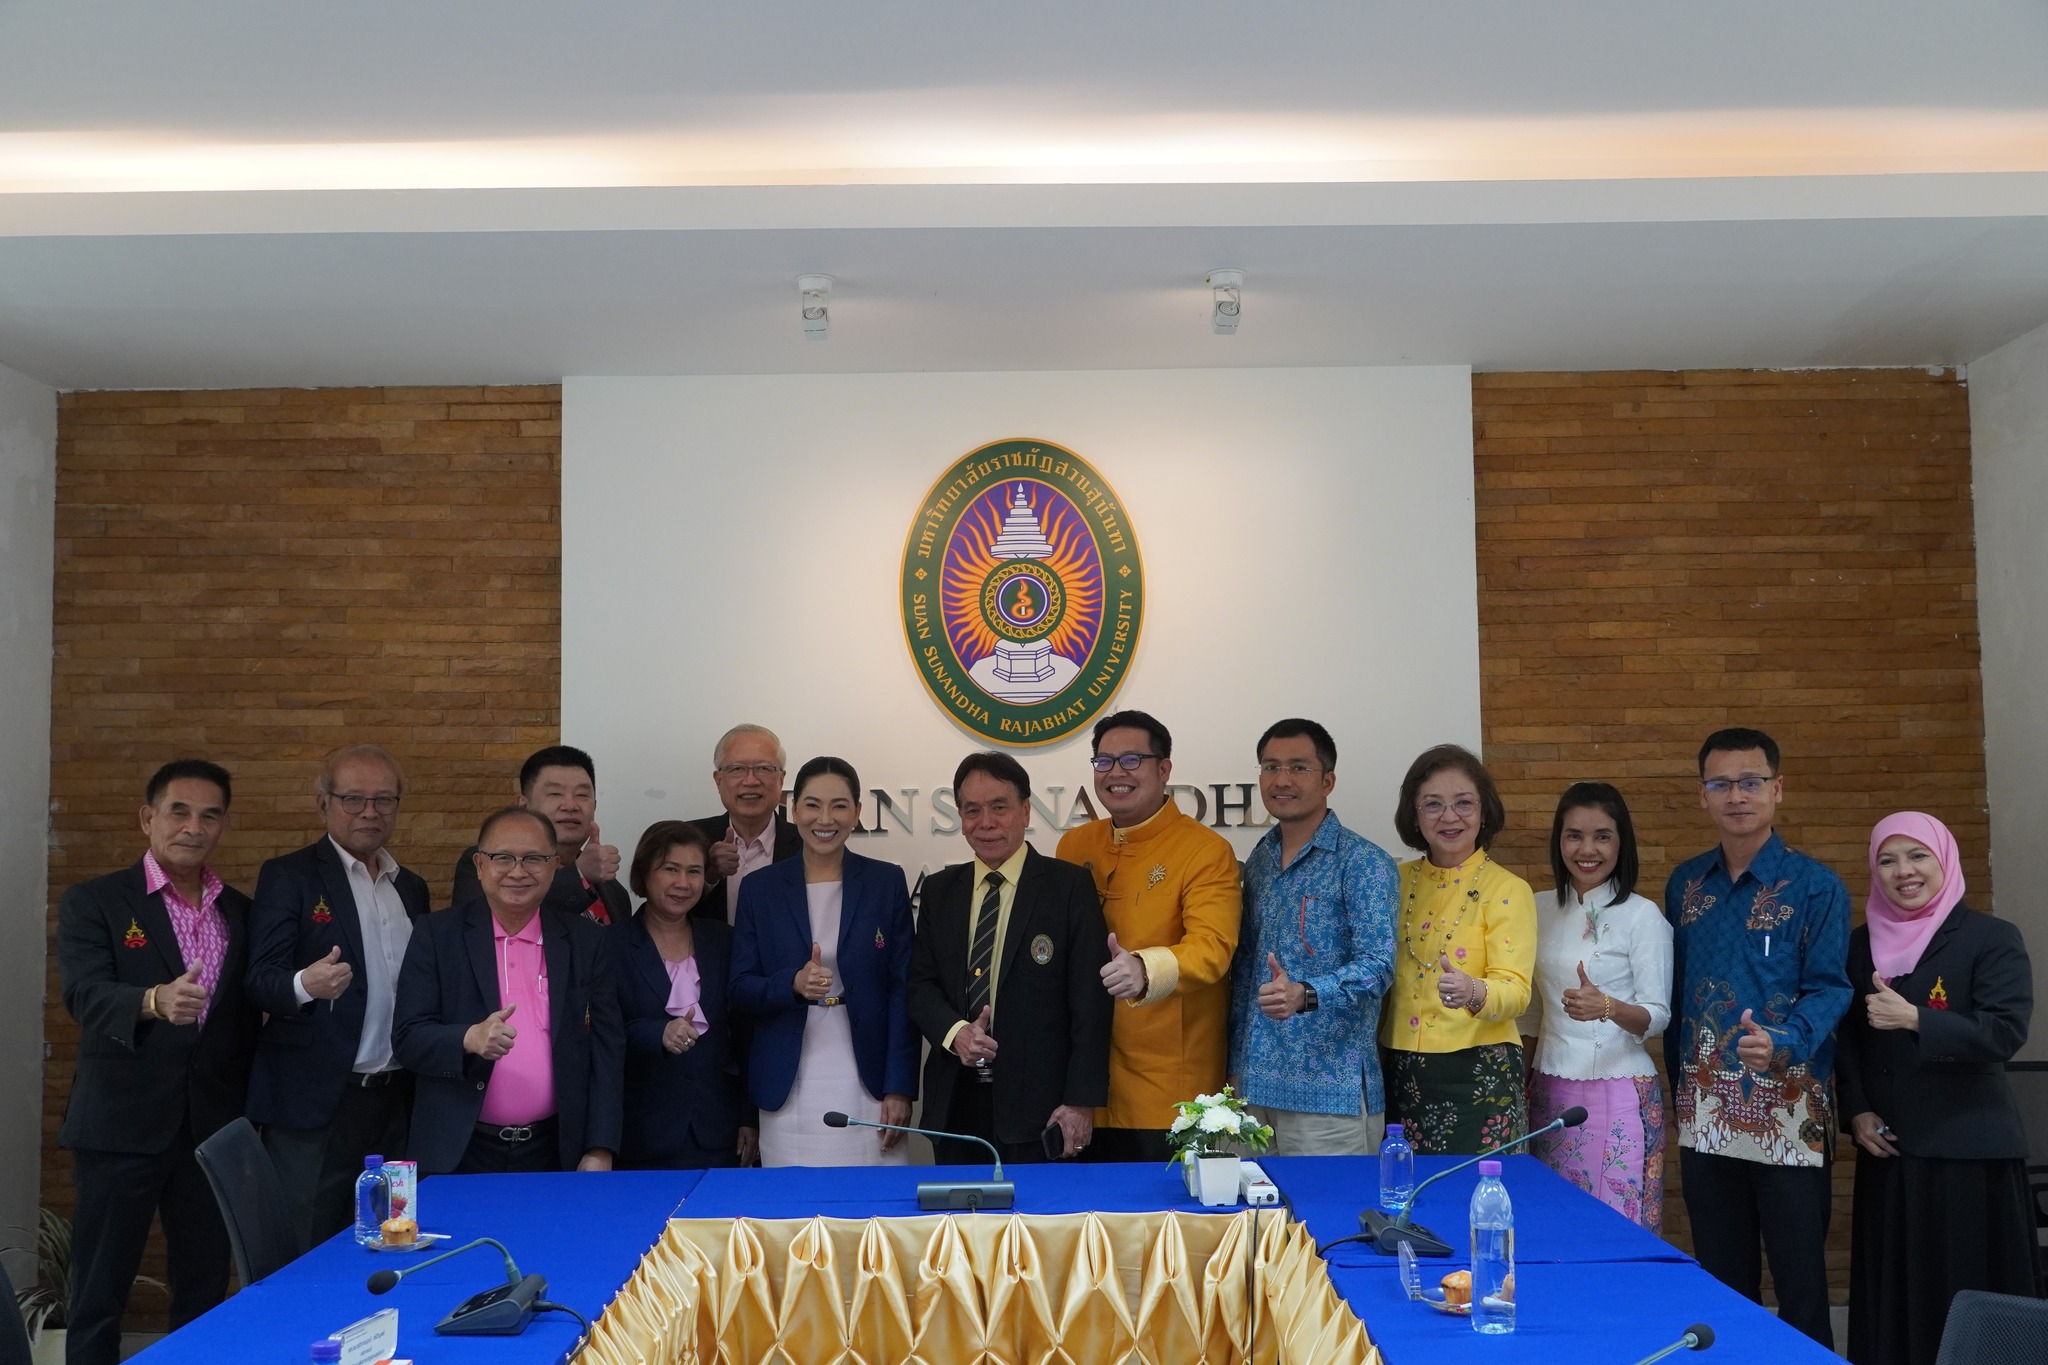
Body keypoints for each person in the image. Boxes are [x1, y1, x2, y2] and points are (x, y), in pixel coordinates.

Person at [56, 760, 260, 1365]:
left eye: (210, 816)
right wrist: (152, 1000)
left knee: (204, 1286)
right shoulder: (96, 901)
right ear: (148, 818)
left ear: (222, 826)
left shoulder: (239, 911)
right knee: (99, 1289)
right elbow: (84, 993)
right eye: (179, 811)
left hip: (210, 1129)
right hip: (120, 1124)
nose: (194, 827)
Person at [1664, 727, 1851, 1348]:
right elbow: (1679, 994)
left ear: (1777, 788)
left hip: (1790, 1106)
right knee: (1722, 1279)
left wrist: (1783, 1039)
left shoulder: (1817, 886)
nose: (1736, 796)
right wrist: (1681, 1090)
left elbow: (1831, 988)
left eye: (1750, 782)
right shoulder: (1686, 885)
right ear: (1703, 795)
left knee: (1800, 1282)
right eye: (1721, 784)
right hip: (1706, 1108)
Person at [1838, 812, 2036, 1365]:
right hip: (1891, 1154)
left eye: (1918, 855)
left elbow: (2004, 1031)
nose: (1903, 871)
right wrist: (1856, 1110)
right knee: (1898, 1302)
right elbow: (1847, 1039)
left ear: (1945, 860)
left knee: (1967, 1300)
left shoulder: (1990, 938)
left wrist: (1916, 1018)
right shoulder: (1860, 945)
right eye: (1887, 860)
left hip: (1967, 1156)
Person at [245, 744, 432, 1246]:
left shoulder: (410, 887)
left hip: (395, 1099)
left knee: (391, 1238)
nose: (369, 812)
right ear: (323, 804)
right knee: (303, 1242)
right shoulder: (290, 876)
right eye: (353, 799)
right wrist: (304, 985)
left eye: (383, 800)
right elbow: (258, 978)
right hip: (316, 1101)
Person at [907, 751, 1113, 1165]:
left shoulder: (1068, 888)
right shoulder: (940, 891)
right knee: (957, 1209)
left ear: (1025, 810)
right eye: (972, 810)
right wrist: (956, 1033)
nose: (985, 822)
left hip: (1043, 1112)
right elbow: (920, 985)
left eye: (999, 807)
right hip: (955, 1106)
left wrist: (1080, 1102)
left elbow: (1091, 1004)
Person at [393, 806, 623, 1175]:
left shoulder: (586, 941)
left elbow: (607, 1046)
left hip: (556, 1150)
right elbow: (407, 1039)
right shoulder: (437, 935)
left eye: (533, 858)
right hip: (461, 1150)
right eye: (503, 858)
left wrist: (600, 1146)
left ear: (554, 866)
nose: (518, 871)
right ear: (480, 865)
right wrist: (467, 1038)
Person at [1055, 710, 1241, 1164]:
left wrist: (1144, 968)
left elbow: (1212, 948)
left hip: (1168, 1093)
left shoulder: (1205, 850)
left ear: (1164, 769)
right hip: (1084, 1089)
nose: (1116, 773)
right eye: (1104, 761)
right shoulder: (1074, 846)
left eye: (1132, 760)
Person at [730, 756, 917, 1166]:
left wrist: (899, 1087)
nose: (825, 819)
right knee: (793, 1196)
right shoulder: (760, 889)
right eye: (812, 805)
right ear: (793, 809)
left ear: (857, 812)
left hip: (868, 1076)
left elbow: (902, 989)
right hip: (788, 1074)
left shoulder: (885, 882)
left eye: (839, 806)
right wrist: (792, 984)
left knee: (875, 1194)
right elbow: (740, 986)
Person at [1227, 719, 1397, 1155]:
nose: (1281, 779)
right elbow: (1245, 972)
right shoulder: (1259, 860)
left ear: (1328, 781)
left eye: (1298, 767)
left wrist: (1305, 993)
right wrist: (1235, 1068)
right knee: (1251, 1201)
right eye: (1271, 767)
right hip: (1253, 1092)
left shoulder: (1363, 862)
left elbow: (1378, 967)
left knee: (1328, 1204)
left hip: (1331, 1095)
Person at [1515, 781, 1671, 1230]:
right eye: (1574, 835)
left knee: (1613, 1227)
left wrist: (1608, 1007)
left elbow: (1657, 1015)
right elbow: (1532, 1015)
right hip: (1547, 1089)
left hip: (1618, 1092)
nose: (1587, 850)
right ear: (1558, 841)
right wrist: (1520, 1085)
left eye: (1602, 836)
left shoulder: (1642, 916)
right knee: (1551, 1224)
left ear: (1622, 843)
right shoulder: (1537, 908)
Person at [1380, 744, 1536, 1156]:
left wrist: (1473, 991)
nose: (1450, 817)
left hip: (1480, 1072)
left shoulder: (1508, 889)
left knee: (1478, 1189)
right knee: (1407, 1187)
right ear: (1414, 815)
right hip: (1401, 1070)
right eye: (1433, 804)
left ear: (1484, 811)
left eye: (1464, 803)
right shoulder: (1393, 881)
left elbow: (1517, 991)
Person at [615, 821, 751, 1168]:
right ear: (644, 874)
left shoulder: (724, 940)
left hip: (718, 1129)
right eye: (670, 869)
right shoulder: (611, 945)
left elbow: (745, 1034)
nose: (683, 883)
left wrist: (749, 1116)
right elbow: (600, 1035)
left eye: (694, 871)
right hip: (641, 1132)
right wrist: (657, 1033)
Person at [449, 745, 627, 925]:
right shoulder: (489, 862)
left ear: (594, 806)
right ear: (523, 805)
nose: (570, 805)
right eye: (555, 793)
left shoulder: (614, 891)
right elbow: (484, 925)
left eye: (582, 794)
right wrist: (579, 875)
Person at [691, 723, 801, 926]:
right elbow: (661, 914)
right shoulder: (688, 840)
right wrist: (708, 876)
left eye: (764, 769)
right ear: (718, 780)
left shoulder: (807, 847)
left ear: (781, 779)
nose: (751, 781)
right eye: (737, 769)